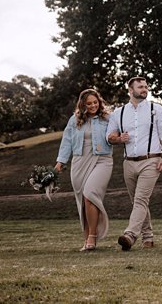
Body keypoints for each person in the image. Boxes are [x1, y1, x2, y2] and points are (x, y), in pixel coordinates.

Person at [106, 76, 162, 251]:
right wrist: (119, 138)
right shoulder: (118, 113)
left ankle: (130, 235)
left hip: (151, 160)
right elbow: (109, 136)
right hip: (128, 163)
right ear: (130, 90)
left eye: (146, 86)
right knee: (137, 202)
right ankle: (148, 237)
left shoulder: (156, 109)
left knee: (141, 199)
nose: (144, 89)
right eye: (140, 87)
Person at [54, 88, 114, 252]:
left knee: (90, 194)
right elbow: (66, 142)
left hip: (102, 160)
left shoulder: (108, 118)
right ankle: (87, 237)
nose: (93, 105)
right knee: (83, 201)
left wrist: (121, 138)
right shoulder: (75, 120)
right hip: (80, 162)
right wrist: (60, 162)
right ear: (83, 105)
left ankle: (92, 238)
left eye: (95, 102)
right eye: (89, 103)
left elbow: (116, 134)